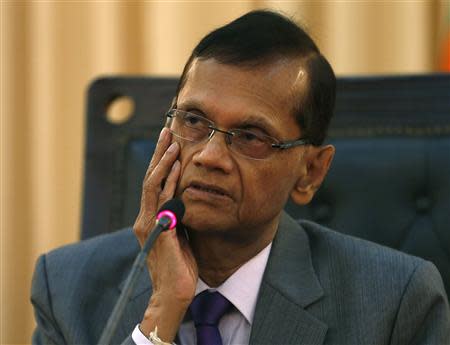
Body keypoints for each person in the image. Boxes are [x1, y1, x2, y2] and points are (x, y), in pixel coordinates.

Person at [31, 10, 450, 345]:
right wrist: (161, 315)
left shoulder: (395, 301)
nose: (210, 156)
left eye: (250, 136)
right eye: (193, 120)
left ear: (310, 172)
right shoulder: (68, 289)